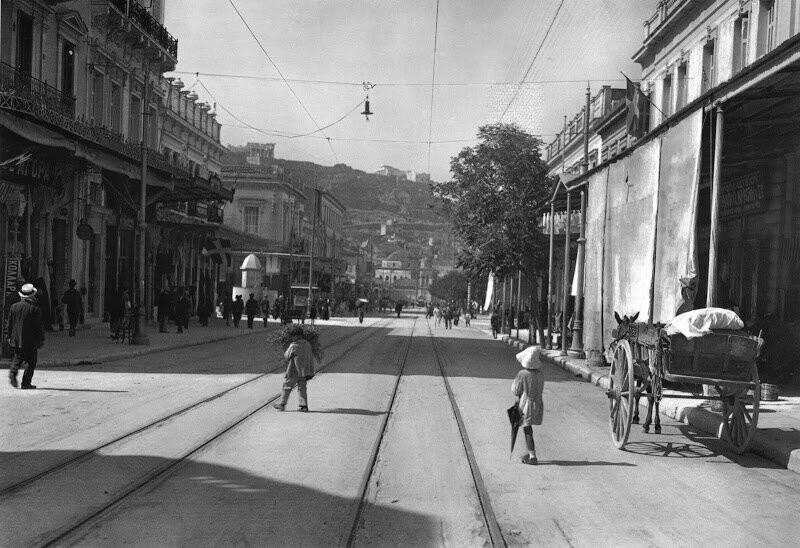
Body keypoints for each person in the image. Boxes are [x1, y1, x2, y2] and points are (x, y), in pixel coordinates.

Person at [8, 283, 45, 389]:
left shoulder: (14, 307)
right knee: (31, 361)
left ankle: (12, 373)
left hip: (16, 339)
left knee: (17, 358)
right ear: (32, 295)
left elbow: (10, 324)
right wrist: (40, 339)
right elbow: (38, 326)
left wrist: (9, 337)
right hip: (30, 340)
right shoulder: (35, 308)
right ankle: (26, 383)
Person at [273, 325, 319, 412]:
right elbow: (310, 357)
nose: (292, 338)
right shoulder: (308, 344)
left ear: (296, 336)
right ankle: (303, 406)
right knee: (302, 388)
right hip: (304, 371)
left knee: (287, 386)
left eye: (292, 336)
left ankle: (282, 404)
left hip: (294, 371)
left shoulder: (293, 345)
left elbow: (287, 356)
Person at [512, 347, 545, 465]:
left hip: (526, 404)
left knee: (527, 429)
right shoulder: (540, 374)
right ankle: (529, 452)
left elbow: (516, 390)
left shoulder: (523, 374)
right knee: (528, 427)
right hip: (538, 403)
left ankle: (532, 456)